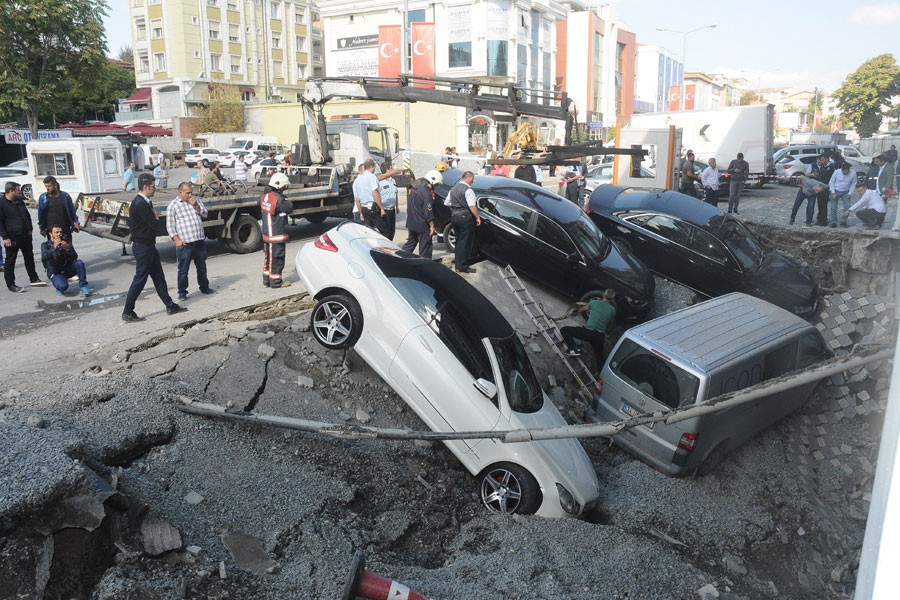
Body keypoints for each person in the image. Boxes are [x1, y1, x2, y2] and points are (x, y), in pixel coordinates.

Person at [122, 173, 186, 322]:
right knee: (140, 279)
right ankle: (128, 311)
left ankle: (170, 305)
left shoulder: (144, 202)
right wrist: (174, 231)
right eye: (152, 186)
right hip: (143, 247)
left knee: (158, 277)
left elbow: (150, 222)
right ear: (145, 186)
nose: (154, 189)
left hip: (148, 246)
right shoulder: (140, 204)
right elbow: (154, 225)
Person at [167, 182, 214, 301]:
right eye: (187, 193)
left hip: (198, 241)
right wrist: (176, 239)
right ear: (180, 192)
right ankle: (182, 292)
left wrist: (196, 206)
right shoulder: (174, 205)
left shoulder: (196, 200)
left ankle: (204, 287)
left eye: (191, 192)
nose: (190, 195)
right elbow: (170, 226)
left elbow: (205, 214)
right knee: (183, 270)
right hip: (185, 243)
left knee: (201, 266)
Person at [1, 182, 45, 292]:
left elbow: (26, 215)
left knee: (29, 257)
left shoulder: (19, 200)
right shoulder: (1, 203)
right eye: (17, 190)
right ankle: (11, 284)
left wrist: (29, 228)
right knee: (10, 261)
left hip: (25, 235)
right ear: (11, 191)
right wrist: (5, 237)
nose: (20, 191)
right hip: (12, 238)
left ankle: (34, 278)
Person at [560, 289, 617, 373]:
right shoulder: (612, 310)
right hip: (599, 337)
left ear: (603, 295)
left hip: (587, 333)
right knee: (600, 357)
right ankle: (602, 375)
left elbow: (582, 310)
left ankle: (573, 348)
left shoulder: (594, 302)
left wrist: (575, 312)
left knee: (564, 330)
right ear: (612, 299)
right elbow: (610, 324)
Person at [260, 172, 293, 289]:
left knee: (268, 257)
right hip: (277, 233)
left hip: (267, 233)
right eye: (285, 186)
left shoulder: (265, 196)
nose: (286, 188)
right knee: (277, 258)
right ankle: (276, 281)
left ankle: (267, 280)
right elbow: (290, 207)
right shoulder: (280, 199)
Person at [402, 170, 442, 259]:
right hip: (422, 225)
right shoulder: (427, 194)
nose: (436, 186)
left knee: (410, 244)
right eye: (436, 184)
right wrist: (432, 226)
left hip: (412, 222)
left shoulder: (415, 188)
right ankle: (425, 266)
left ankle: (400, 258)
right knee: (425, 249)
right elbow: (428, 212)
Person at [447, 170, 481, 273]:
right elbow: (472, 206)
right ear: (469, 178)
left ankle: (458, 265)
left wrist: (455, 209)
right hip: (465, 219)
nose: (472, 182)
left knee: (459, 242)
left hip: (454, 217)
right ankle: (463, 266)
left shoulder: (453, 189)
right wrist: (477, 217)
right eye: (472, 180)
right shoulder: (468, 190)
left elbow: (446, 202)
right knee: (465, 243)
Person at [41, 225, 90, 296]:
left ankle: (83, 286)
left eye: (60, 232)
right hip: (56, 272)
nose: (59, 234)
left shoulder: (65, 241)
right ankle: (59, 286)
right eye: (56, 232)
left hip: (67, 269)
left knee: (79, 263)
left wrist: (68, 249)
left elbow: (74, 257)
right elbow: (44, 257)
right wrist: (54, 247)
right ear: (50, 234)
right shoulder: (45, 245)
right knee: (62, 286)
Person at [356, 159, 387, 235]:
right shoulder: (372, 177)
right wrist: (382, 208)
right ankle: (382, 246)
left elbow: (357, 199)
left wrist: (360, 213)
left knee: (368, 232)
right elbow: (374, 193)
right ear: (371, 166)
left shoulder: (358, 180)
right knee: (386, 230)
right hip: (372, 208)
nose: (374, 170)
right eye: (374, 168)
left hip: (364, 209)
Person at [377, 163, 403, 241]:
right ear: (388, 170)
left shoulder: (393, 180)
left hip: (392, 209)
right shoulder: (379, 182)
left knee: (392, 231)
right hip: (384, 210)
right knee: (386, 232)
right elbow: (376, 196)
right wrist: (381, 209)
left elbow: (395, 193)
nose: (392, 170)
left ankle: (390, 246)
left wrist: (397, 206)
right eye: (391, 168)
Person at [828, 162, 856, 227]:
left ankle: (843, 221)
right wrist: (833, 192)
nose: (845, 173)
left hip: (846, 191)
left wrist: (850, 192)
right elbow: (831, 183)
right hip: (836, 190)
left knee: (847, 206)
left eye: (847, 171)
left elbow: (853, 183)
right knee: (833, 207)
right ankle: (833, 222)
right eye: (844, 171)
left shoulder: (853, 173)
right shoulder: (836, 172)